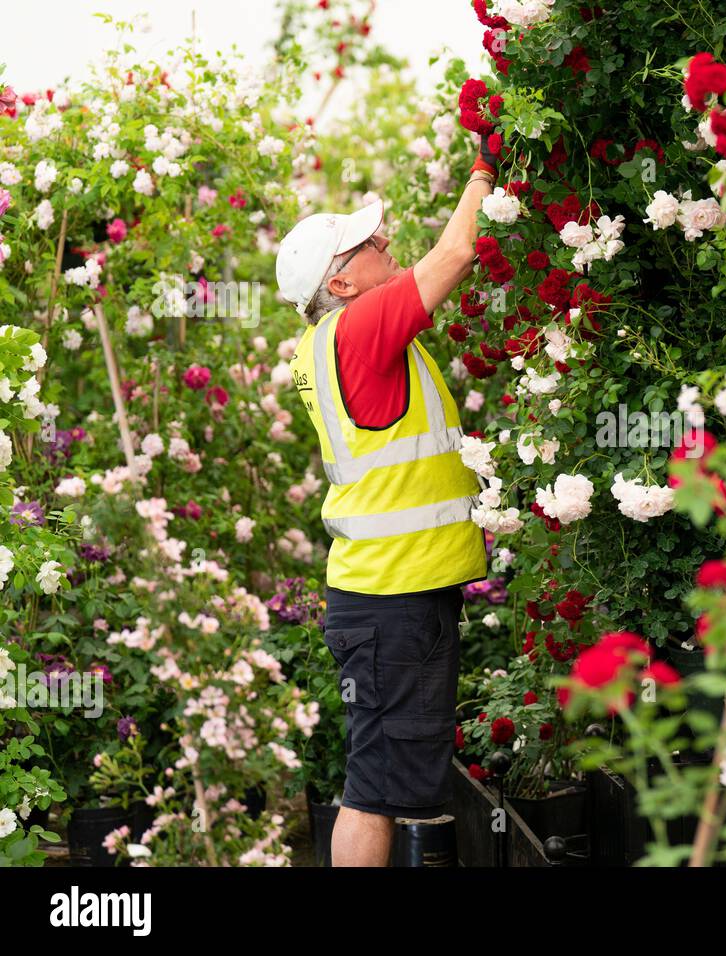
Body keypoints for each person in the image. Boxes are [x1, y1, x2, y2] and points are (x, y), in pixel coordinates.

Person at [275, 127, 500, 866]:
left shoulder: (329, 343)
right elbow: (456, 255)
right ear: (339, 283)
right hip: (392, 600)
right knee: (373, 786)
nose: (386, 244)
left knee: (384, 778)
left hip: (392, 593)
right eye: (369, 246)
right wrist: (483, 170)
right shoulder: (362, 329)